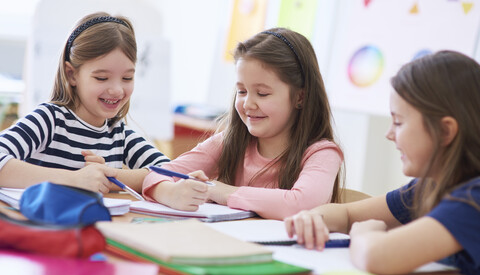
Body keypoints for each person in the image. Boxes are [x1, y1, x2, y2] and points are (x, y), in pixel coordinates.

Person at [285, 50, 480, 275]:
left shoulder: (473, 199)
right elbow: (347, 214)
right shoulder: (428, 187)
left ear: (445, 131)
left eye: (398, 122)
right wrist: (314, 218)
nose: (389, 134)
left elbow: (375, 256)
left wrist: (363, 232)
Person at [142, 27, 343, 220]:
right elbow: (157, 174)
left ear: (300, 97)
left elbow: (299, 205)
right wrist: (171, 193)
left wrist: (225, 192)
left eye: (262, 93)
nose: (248, 104)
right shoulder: (228, 142)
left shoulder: (322, 154)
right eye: (242, 91)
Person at [0, 12, 169, 194]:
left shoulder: (120, 135)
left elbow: (171, 171)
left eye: (127, 78)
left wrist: (109, 177)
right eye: (102, 78)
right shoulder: (50, 121)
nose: (117, 90)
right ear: (72, 74)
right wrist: (74, 179)